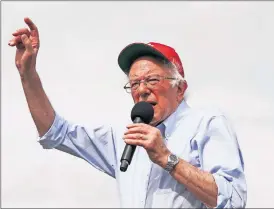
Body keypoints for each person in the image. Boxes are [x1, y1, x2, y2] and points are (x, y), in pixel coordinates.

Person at [9, 17, 247, 208]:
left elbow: (234, 199)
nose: (142, 90)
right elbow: (56, 133)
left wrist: (167, 158)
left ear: (180, 88)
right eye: (134, 84)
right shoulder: (125, 138)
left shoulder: (207, 123)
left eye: (152, 80)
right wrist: (27, 73)